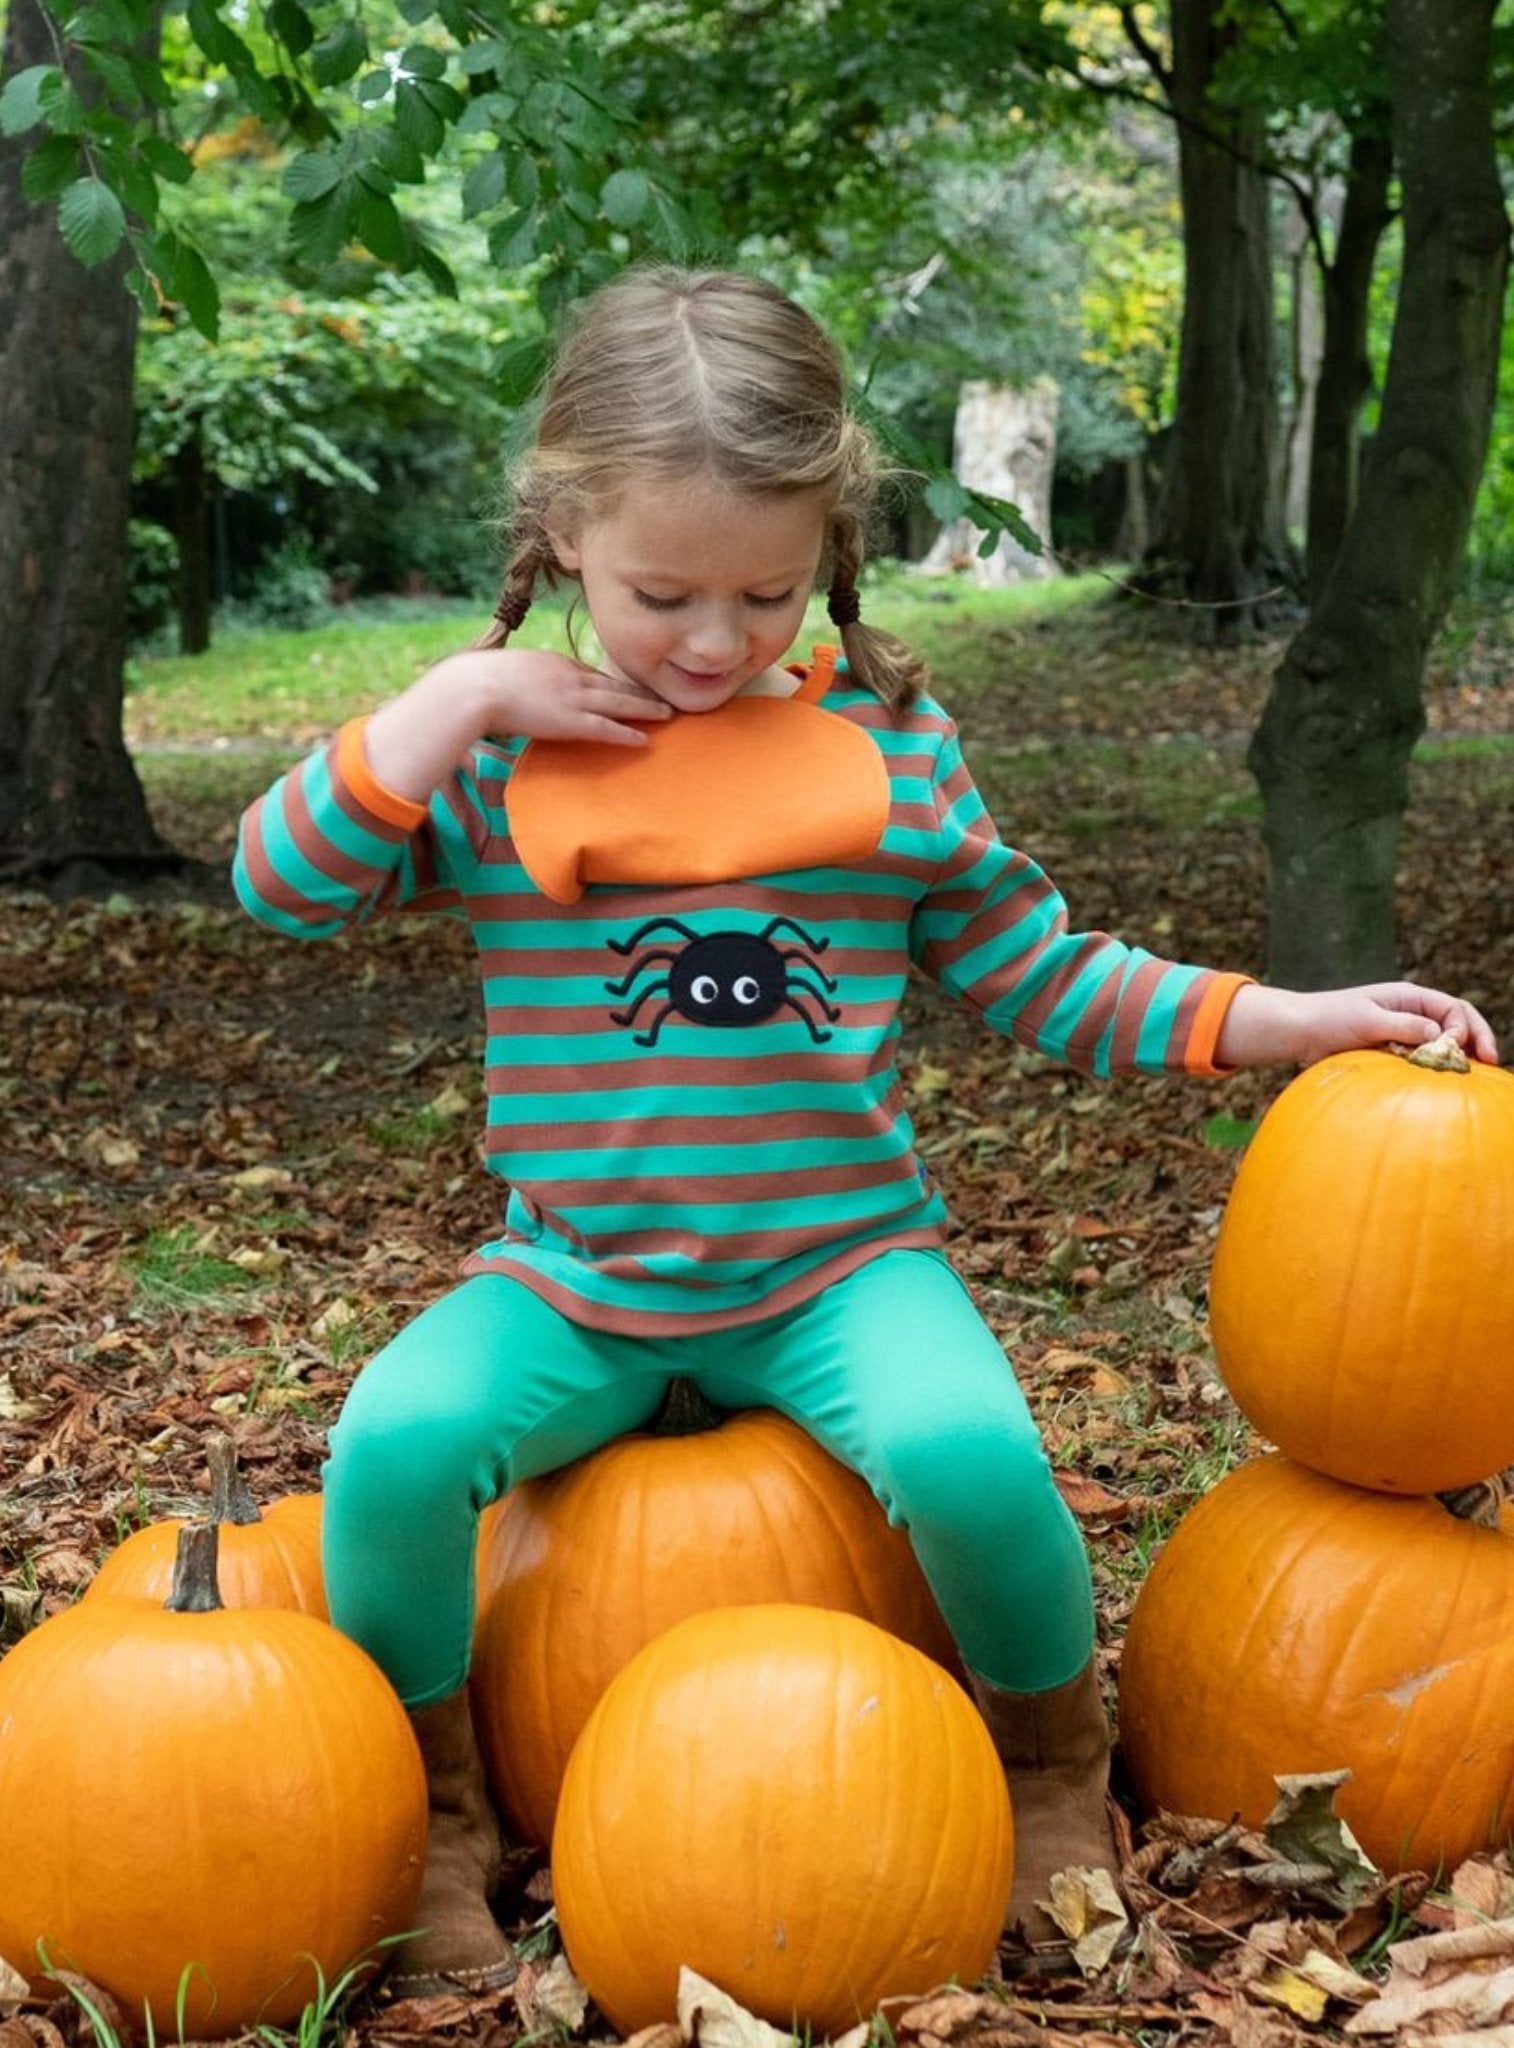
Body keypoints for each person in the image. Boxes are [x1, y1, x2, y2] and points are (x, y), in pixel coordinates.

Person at [234, 266, 1497, 1983]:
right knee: (389, 1445)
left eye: (761, 593)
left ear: (827, 539)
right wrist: (445, 705)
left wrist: (1288, 1018)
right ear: (561, 535)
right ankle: (441, 1816)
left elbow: (1048, 972)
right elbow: (280, 889)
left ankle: (1048, 1764)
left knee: (968, 1452)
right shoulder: (496, 749)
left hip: (839, 1269)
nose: (706, 640)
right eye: (657, 590)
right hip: (573, 1280)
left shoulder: (884, 745)